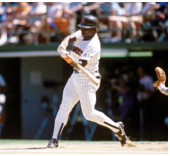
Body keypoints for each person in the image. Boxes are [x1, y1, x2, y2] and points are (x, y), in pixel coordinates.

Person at [47, 15, 134, 148]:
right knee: (64, 107)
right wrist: (63, 45)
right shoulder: (82, 34)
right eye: (81, 28)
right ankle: (54, 139)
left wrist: (66, 57)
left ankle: (117, 128)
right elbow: (70, 37)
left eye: (86, 29)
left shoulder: (93, 45)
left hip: (87, 79)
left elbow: (79, 64)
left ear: (94, 29)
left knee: (89, 114)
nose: (82, 31)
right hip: (75, 76)